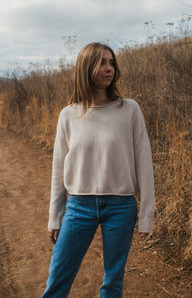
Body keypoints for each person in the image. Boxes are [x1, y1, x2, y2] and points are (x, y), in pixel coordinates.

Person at [41, 42, 155, 298]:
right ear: (86, 68)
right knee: (57, 279)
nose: (109, 68)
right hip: (78, 207)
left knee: (113, 283)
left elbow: (144, 163)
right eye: (102, 62)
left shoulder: (130, 110)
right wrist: (54, 215)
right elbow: (58, 168)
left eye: (111, 62)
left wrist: (147, 214)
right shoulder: (68, 115)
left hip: (121, 206)